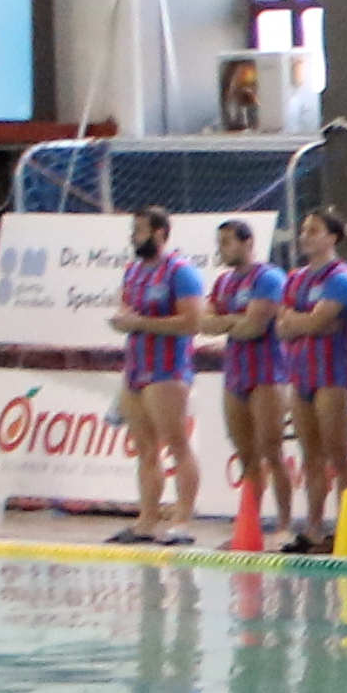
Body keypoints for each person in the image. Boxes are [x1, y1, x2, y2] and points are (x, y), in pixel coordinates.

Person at [102, 208, 207, 547]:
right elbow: (128, 312)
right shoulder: (132, 272)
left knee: (177, 444)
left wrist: (141, 324)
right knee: (145, 449)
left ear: (161, 233)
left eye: (141, 230)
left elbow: (192, 323)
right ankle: (146, 520)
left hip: (167, 370)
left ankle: (182, 520)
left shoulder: (181, 272)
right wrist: (123, 320)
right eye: (133, 230)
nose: (134, 236)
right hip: (136, 367)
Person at [203, 218, 297, 549]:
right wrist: (233, 322)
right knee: (246, 457)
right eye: (220, 242)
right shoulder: (223, 283)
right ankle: (250, 525)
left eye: (228, 242)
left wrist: (227, 322)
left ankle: (284, 524)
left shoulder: (269, 278)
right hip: (236, 374)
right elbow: (205, 323)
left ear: (247, 242)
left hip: (268, 373)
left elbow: (255, 327)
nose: (222, 249)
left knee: (272, 450)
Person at [274, 211, 347, 545]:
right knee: (309, 455)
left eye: (313, 231)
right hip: (300, 372)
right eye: (303, 230)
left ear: (332, 237)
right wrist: (309, 322)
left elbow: (313, 323)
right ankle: (313, 527)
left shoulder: (342, 277)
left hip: (332, 373)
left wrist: (306, 323)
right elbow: (283, 325)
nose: (305, 236)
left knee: (337, 452)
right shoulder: (295, 278)